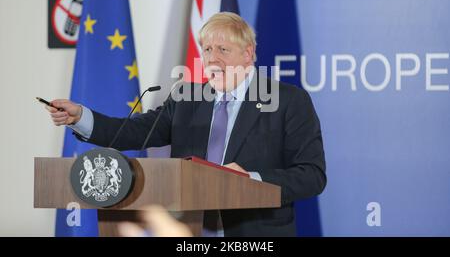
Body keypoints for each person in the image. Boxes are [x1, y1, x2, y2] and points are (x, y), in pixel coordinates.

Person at [46, 12, 326, 237]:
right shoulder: (186, 99)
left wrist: (250, 180)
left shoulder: (288, 101)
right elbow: (133, 132)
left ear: (248, 53)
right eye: (206, 49)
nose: (212, 58)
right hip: (187, 231)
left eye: (223, 49)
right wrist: (81, 117)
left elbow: (312, 175)